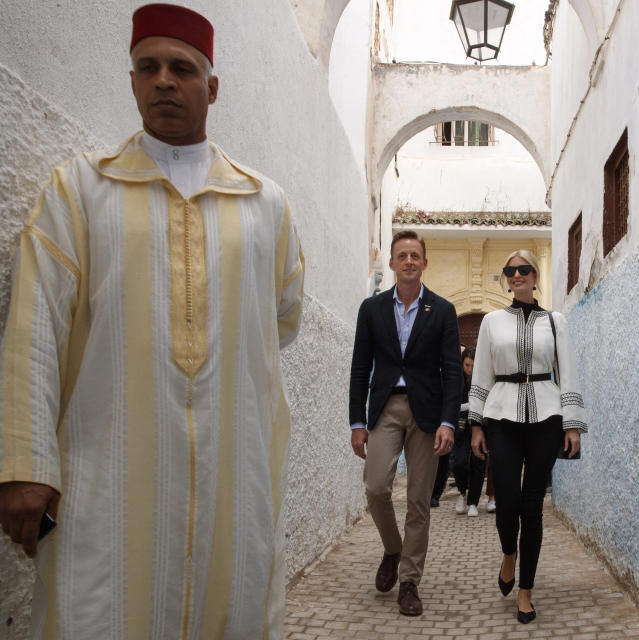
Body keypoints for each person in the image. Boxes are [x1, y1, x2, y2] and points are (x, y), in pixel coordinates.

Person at [0, 4, 304, 638]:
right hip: (104, 482)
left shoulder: (263, 204)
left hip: (232, 476)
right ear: (133, 80)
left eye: (182, 68)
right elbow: (36, 331)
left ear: (212, 87)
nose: (165, 79)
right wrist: (26, 465)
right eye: (149, 66)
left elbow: (279, 319)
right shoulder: (79, 191)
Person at [470, 250, 586, 624]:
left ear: (535, 276)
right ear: (506, 278)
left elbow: (566, 372)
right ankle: (508, 553)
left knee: (533, 507)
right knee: (507, 502)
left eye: (524, 269)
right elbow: (482, 374)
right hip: (501, 417)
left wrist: (572, 424)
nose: (516, 274)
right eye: (510, 270)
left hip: (546, 417)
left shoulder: (556, 321)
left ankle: (525, 591)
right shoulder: (491, 321)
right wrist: (475, 423)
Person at [349, 230, 461, 616]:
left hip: (427, 413)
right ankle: (393, 549)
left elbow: (452, 370)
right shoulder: (372, 309)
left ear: (424, 263)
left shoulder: (442, 310)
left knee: (418, 501)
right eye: (403, 255)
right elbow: (360, 367)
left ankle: (410, 581)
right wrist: (356, 422)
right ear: (393, 263)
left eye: (416, 254)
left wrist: (449, 420)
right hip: (385, 409)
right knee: (376, 485)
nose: (409, 260)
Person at [451, 348, 486, 517]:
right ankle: (462, 492)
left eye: (473, 365)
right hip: (461, 426)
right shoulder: (456, 380)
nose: (470, 369)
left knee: (478, 464)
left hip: (480, 425)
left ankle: (473, 502)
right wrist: (468, 406)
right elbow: (451, 402)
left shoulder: (482, 379)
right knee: (459, 462)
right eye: (467, 365)